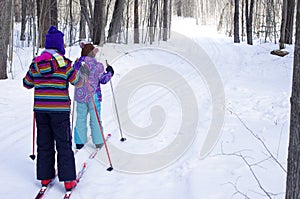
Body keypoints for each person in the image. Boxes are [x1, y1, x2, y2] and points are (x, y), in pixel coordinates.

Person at [23, 26, 83, 192]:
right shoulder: (65, 64)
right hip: (60, 110)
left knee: (44, 143)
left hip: (41, 110)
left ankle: (45, 176)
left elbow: (27, 83)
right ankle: (69, 180)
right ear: (60, 46)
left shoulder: (36, 63)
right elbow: (77, 81)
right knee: (63, 143)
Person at [73, 42, 114, 150]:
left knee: (81, 117)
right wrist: (110, 72)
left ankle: (79, 142)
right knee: (95, 118)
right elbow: (103, 79)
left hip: (80, 95)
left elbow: (73, 77)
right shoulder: (98, 66)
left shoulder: (77, 65)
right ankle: (98, 141)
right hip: (93, 95)